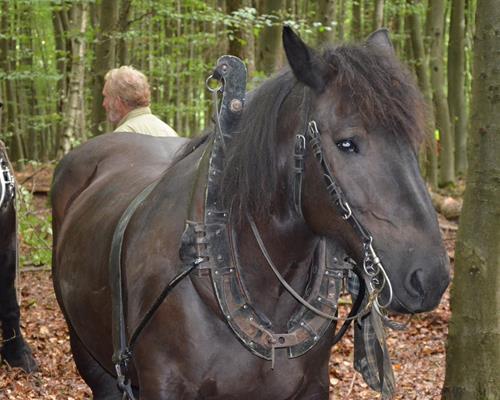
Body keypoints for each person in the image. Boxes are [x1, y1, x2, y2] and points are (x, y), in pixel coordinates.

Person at [102, 66, 178, 137]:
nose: (103, 104)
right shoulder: (169, 132)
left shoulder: (122, 135)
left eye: (106, 97)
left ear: (118, 102)